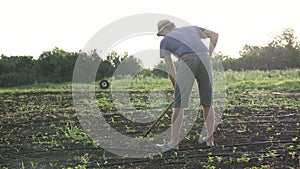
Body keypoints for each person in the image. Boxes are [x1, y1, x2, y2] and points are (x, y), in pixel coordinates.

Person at [156, 19, 218, 150]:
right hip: (205, 59)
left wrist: (176, 90)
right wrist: (209, 55)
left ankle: (174, 143)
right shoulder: (192, 28)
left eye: (162, 34)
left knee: (179, 105)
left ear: (164, 31)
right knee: (207, 102)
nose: (163, 36)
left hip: (187, 59)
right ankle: (210, 140)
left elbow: (170, 68)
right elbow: (214, 35)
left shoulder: (165, 41)